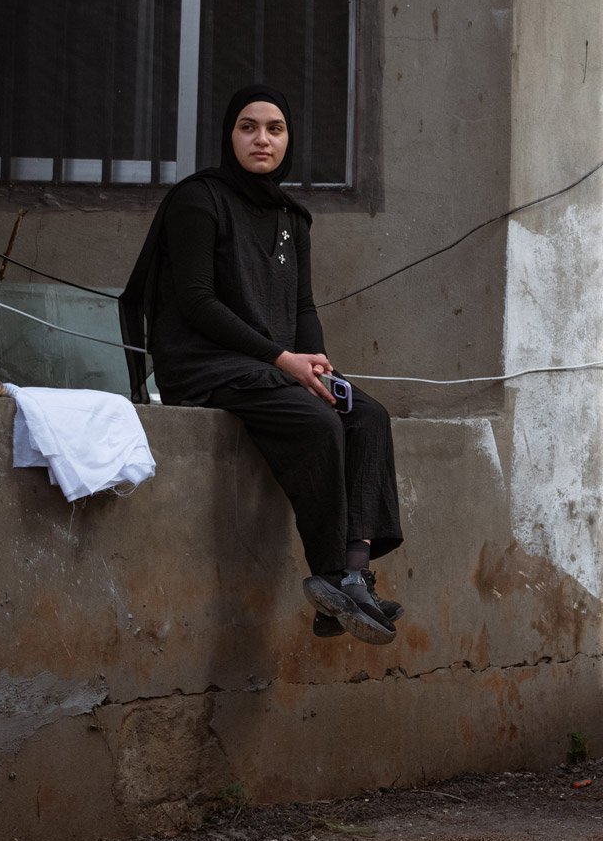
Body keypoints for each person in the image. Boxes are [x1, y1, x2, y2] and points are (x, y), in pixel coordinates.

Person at [118, 85, 405, 644]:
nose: (261, 139)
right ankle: (326, 577)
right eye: (248, 127)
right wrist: (285, 361)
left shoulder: (290, 217)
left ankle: (352, 575)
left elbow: (302, 307)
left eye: (275, 129)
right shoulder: (198, 200)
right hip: (207, 364)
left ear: (288, 140)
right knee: (319, 422)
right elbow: (198, 302)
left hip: (278, 367)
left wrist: (316, 367)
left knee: (367, 416)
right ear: (230, 135)